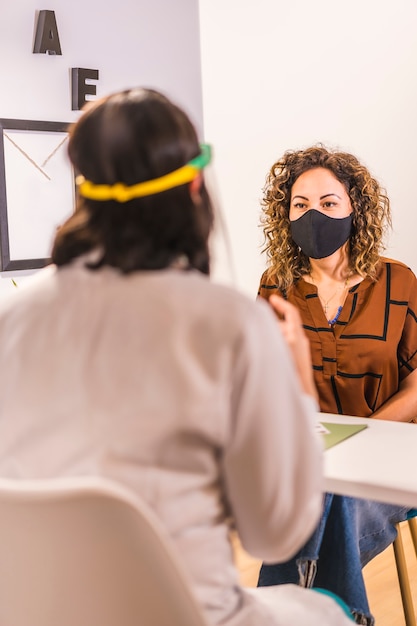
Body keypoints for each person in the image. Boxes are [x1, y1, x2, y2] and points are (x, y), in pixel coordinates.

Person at [0, 90, 353, 625]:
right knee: (325, 609)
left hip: (38, 614)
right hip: (190, 615)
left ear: (84, 188)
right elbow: (275, 532)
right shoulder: (231, 323)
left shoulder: (13, 319)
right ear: (194, 182)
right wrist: (299, 383)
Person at [256, 143, 417, 625]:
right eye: (300, 205)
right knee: (322, 489)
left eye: (328, 203)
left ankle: (281, 610)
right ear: (284, 216)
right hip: (311, 454)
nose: (314, 215)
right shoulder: (276, 286)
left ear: (354, 209)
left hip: (390, 457)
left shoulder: (398, 282)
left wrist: (365, 438)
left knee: (332, 498)